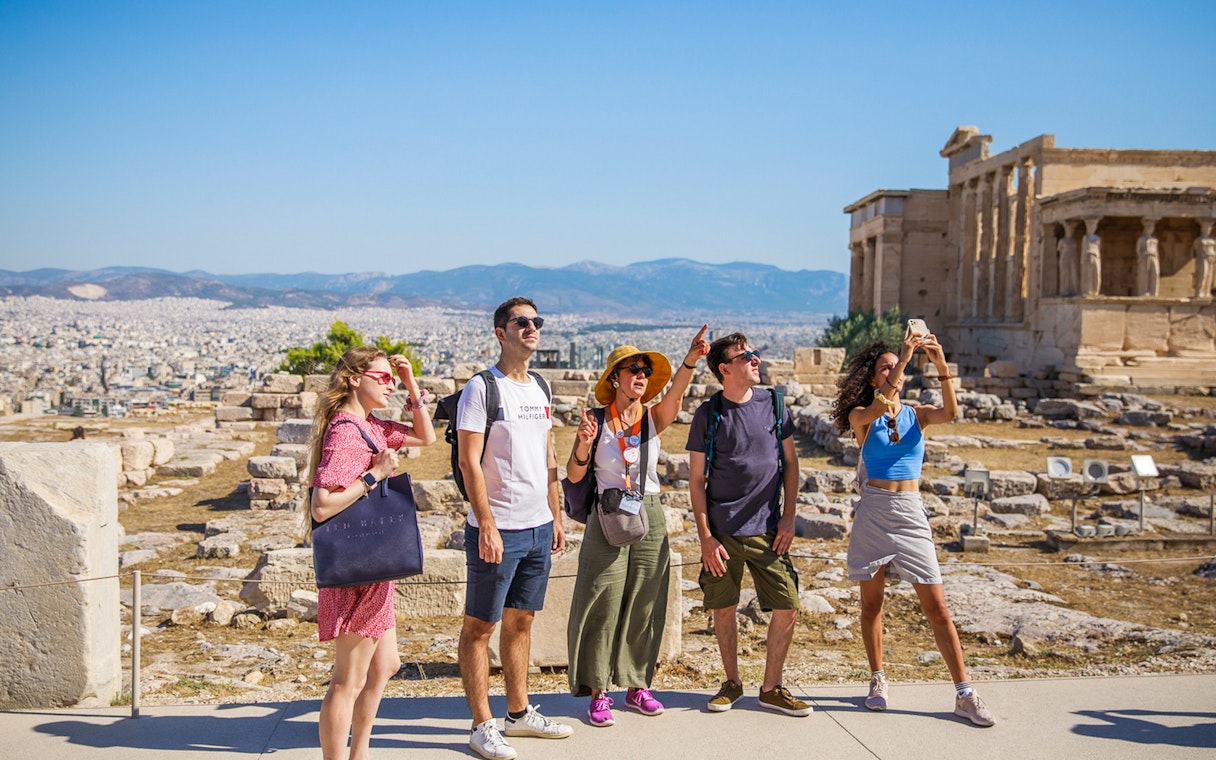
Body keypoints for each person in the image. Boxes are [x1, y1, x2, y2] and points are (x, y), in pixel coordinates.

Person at [829, 330, 996, 728]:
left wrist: (940, 365)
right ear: (873, 379)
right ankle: (877, 680)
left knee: (937, 607)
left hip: (909, 511)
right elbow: (877, 406)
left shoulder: (917, 413)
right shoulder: (861, 417)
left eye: (896, 366)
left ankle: (965, 693)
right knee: (871, 604)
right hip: (873, 510)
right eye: (884, 367)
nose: (894, 372)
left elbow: (951, 413)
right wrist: (903, 356)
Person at [566, 326, 709, 727]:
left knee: (647, 597)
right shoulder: (596, 420)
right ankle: (598, 691)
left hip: (649, 509)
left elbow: (676, 395)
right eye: (632, 368)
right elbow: (574, 477)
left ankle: (635, 684)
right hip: (607, 511)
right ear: (615, 378)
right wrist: (581, 446)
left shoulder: (651, 417)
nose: (640, 374)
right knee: (602, 598)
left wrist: (691, 358)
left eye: (644, 368)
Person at [305, 346, 436, 760]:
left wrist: (410, 382)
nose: (390, 384)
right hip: (358, 572)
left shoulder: (371, 426)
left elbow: (426, 437)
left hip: (374, 566)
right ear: (354, 378)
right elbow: (322, 504)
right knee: (348, 679)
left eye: (391, 380)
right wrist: (375, 474)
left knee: (385, 665)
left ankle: (359, 753)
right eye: (382, 377)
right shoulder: (346, 431)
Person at [456, 297, 572, 760]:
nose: (531, 328)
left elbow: (547, 456)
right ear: (500, 332)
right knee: (480, 626)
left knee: (522, 621)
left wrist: (556, 515)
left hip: (538, 526)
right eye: (521, 322)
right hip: (498, 527)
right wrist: (486, 522)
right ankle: (482, 724)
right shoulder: (482, 389)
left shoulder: (541, 386)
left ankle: (518, 714)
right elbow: (469, 459)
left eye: (536, 321)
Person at [685, 333, 809, 717]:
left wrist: (789, 517)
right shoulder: (708, 413)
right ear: (725, 368)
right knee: (724, 608)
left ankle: (771, 687)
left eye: (755, 354)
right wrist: (705, 537)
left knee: (787, 605)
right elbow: (695, 480)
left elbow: (791, 464)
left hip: (769, 529)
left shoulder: (774, 404)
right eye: (747, 356)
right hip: (721, 532)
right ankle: (732, 682)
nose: (756, 360)